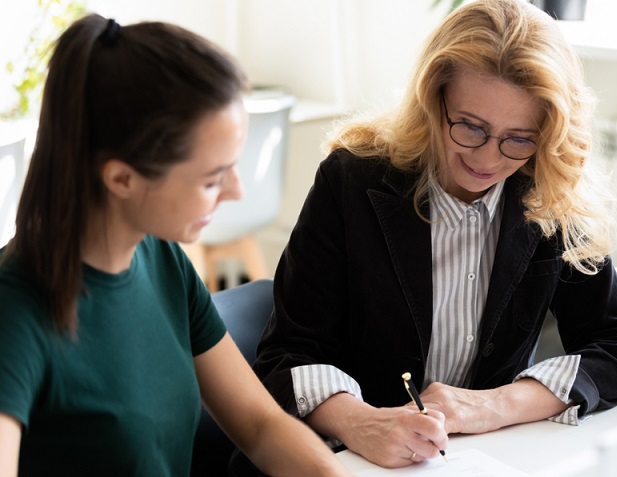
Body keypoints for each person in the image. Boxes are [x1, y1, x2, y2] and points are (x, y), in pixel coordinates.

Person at [232, 0, 617, 472]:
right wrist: (362, 421)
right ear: (434, 99)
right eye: (470, 127)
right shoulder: (352, 181)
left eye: (518, 137)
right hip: (339, 460)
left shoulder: (546, 193)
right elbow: (287, 355)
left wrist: (495, 405)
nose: (489, 159)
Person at [0, 14, 354, 477]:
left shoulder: (162, 259)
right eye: (212, 178)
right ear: (121, 178)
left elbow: (261, 425)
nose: (236, 192)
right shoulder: (17, 310)